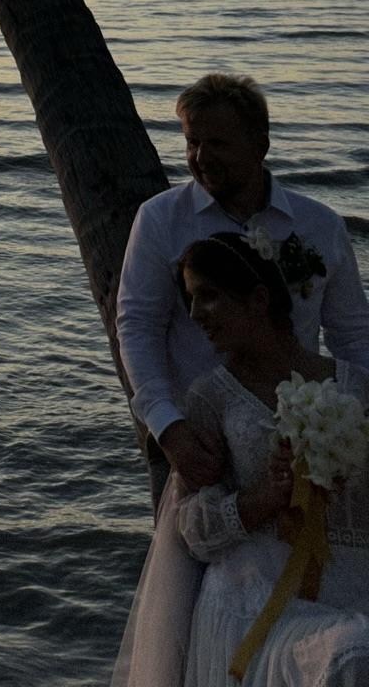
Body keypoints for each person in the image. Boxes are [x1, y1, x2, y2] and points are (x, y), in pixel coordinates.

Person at [114, 233, 369, 685]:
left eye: (208, 295)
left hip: (355, 581)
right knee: (350, 653)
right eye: (190, 300)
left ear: (258, 299)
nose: (195, 314)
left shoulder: (355, 387)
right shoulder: (211, 397)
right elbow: (192, 530)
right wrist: (264, 498)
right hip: (256, 590)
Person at [117, 73, 369, 490]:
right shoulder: (161, 219)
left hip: (300, 444)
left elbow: (353, 335)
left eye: (217, 143)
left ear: (260, 145)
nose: (201, 157)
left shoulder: (320, 225)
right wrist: (168, 426)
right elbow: (138, 327)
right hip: (199, 441)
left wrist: (353, 420)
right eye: (192, 142)